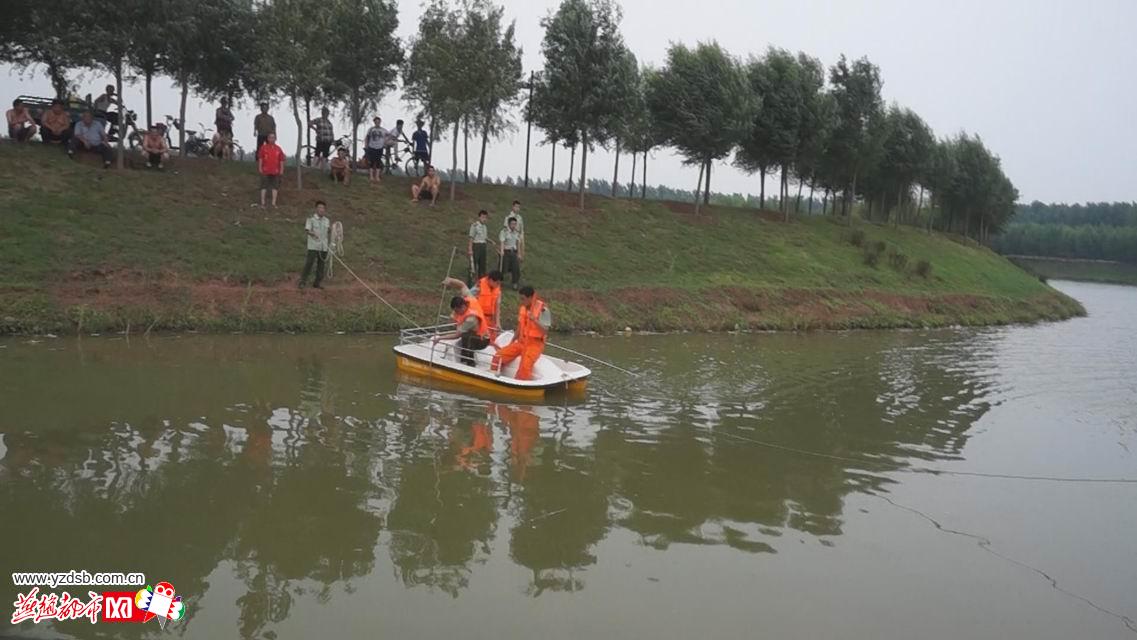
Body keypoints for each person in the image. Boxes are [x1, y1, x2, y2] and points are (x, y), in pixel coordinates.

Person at [491, 285, 551, 381]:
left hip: (535, 344)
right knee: (498, 356)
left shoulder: (543, 310)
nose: (521, 301)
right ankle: (494, 378)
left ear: (531, 298)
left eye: (523, 299)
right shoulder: (523, 308)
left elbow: (545, 330)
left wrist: (534, 320)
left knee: (525, 366)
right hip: (521, 342)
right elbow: (520, 326)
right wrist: (513, 340)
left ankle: (519, 384)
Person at [433, 288, 491, 367]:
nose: (457, 313)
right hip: (476, 334)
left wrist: (440, 338)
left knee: (466, 336)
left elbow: (457, 335)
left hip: (483, 340)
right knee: (466, 335)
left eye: (456, 311)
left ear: (461, 307)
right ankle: (464, 358)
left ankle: (469, 363)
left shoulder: (470, 319)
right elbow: (462, 285)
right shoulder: (469, 301)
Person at [299, 201, 331, 289]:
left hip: (323, 246)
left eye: (323, 208)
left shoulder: (327, 220)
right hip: (313, 246)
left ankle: (317, 283)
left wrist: (334, 230)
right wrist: (313, 234)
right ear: (316, 209)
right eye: (320, 208)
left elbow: (328, 231)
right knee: (309, 263)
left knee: (321, 265)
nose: (321, 210)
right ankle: (302, 281)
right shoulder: (311, 219)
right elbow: (307, 230)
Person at [257, 132, 286, 207]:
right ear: (268, 138)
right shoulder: (263, 148)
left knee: (275, 187)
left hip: (275, 171)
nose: (272, 139)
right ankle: (263, 203)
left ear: (275, 139)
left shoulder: (278, 149)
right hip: (265, 170)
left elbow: (281, 160)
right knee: (263, 186)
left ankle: (273, 203)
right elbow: (260, 158)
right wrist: (260, 168)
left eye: (273, 137)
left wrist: (281, 170)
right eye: (270, 137)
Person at [473, 270, 503, 338]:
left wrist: (498, 322)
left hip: (491, 319)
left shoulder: (497, 290)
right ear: (490, 280)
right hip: (479, 319)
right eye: (497, 283)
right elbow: (469, 299)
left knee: (492, 338)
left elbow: (497, 306)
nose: (498, 285)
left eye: (499, 283)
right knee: (480, 337)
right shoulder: (479, 286)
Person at [499, 216, 523, 289]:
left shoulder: (516, 232)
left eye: (515, 224)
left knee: (516, 268)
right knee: (503, 268)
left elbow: (518, 243)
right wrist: (502, 250)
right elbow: (502, 241)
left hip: (513, 252)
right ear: (509, 224)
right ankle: (499, 282)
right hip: (506, 252)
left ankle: (515, 283)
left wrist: (519, 253)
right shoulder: (504, 232)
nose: (514, 226)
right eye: (512, 224)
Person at [364, 116, 387, 183]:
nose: (377, 123)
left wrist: (385, 142)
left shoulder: (383, 130)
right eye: (376, 122)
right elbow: (367, 138)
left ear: (380, 122)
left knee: (378, 162)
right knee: (371, 162)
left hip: (380, 148)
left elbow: (389, 135)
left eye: (378, 122)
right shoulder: (371, 129)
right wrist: (366, 145)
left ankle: (377, 176)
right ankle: (371, 176)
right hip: (372, 147)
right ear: (374, 122)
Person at [468, 209, 490, 279]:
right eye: (483, 217)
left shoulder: (485, 227)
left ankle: (481, 281)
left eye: (485, 217)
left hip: (483, 246)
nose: (484, 219)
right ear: (479, 217)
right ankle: (470, 282)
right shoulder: (475, 226)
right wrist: (470, 249)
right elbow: (471, 238)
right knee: (473, 264)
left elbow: (485, 238)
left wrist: (492, 242)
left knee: (482, 265)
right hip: (476, 246)